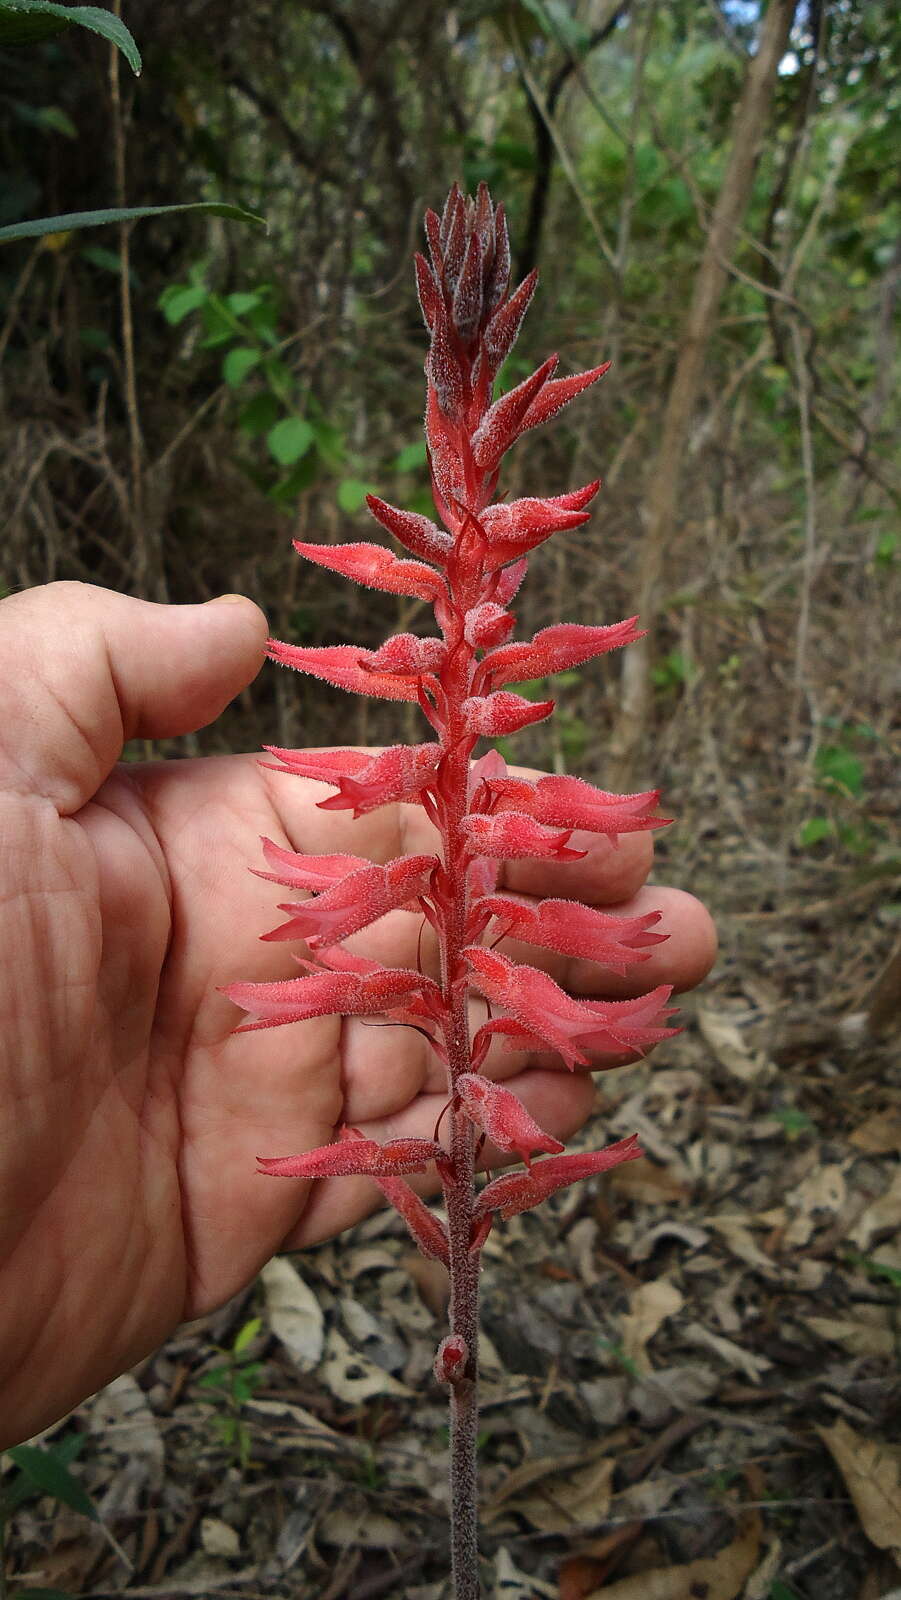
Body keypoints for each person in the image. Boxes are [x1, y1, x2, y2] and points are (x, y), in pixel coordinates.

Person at [0, 582, 717, 1448]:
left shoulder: (494, 851)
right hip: (419, 980)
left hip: (476, 986)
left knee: (522, 1000)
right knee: (392, 971)